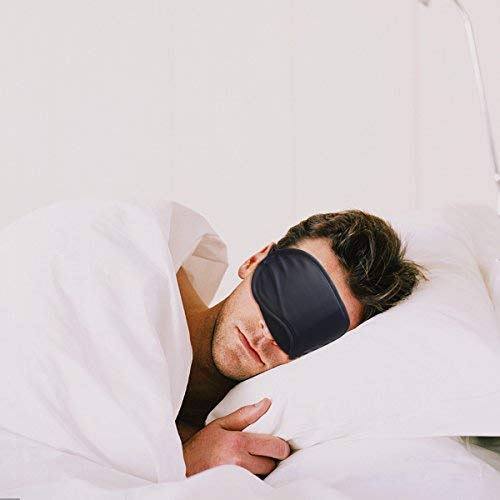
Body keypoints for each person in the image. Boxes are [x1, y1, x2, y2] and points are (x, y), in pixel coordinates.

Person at [175, 209, 428, 478]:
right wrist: (181, 464)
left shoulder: (237, 458)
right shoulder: (147, 276)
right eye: (283, 291)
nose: (270, 332)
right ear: (255, 260)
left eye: (314, 329)